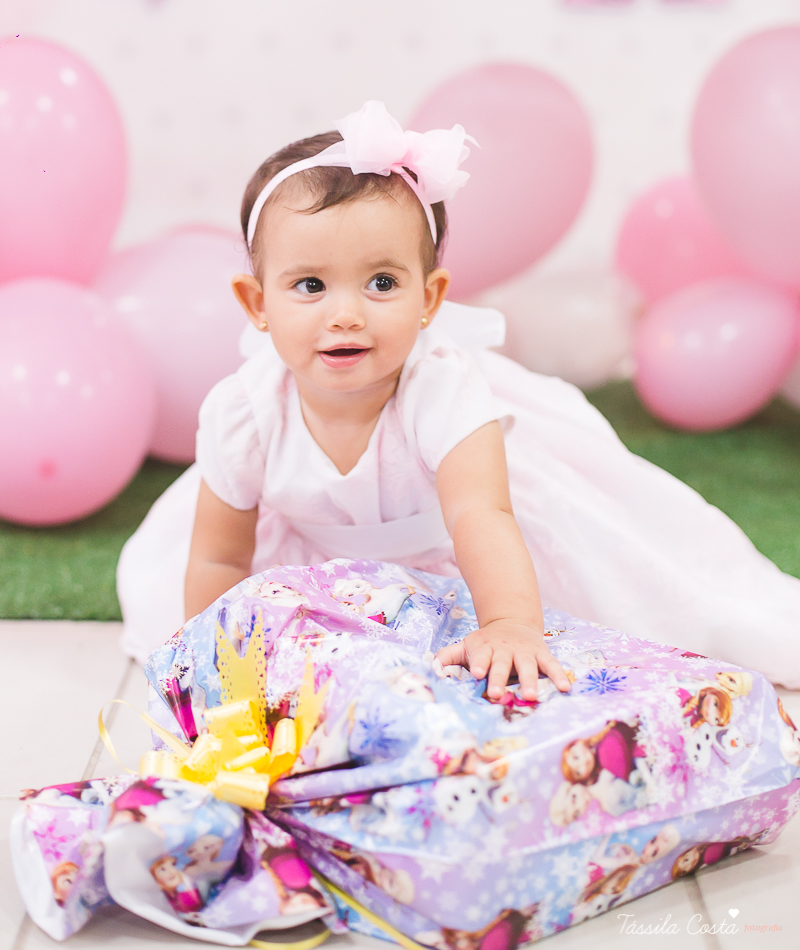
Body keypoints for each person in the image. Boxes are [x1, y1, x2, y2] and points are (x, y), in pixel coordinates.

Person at [118, 101, 800, 690]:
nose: (346, 315)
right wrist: (212, 654)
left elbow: (481, 515)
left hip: (460, 557)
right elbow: (219, 556)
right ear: (257, 303)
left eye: (382, 283)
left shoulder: (440, 388)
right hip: (318, 565)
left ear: (430, 297)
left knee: (615, 622)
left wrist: (508, 624)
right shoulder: (245, 412)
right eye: (310, 286)